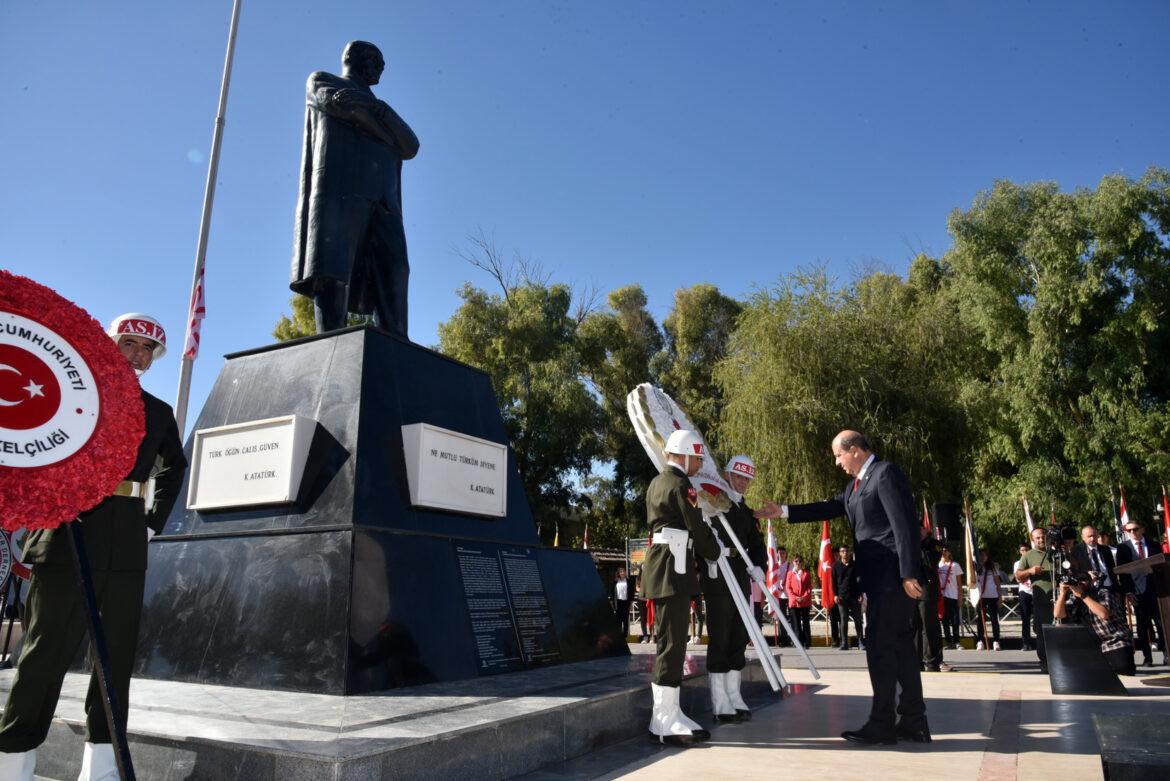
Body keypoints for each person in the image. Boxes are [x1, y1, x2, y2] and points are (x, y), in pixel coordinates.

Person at [0, 313, 188, 781]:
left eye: (147, 348)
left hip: (125, 542)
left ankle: (101, 767)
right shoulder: (72, 397)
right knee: (45, 653)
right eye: (129, 343)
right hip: (67, 534)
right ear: (108, 345)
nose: (138, 353)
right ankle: (12, 762)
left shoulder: (158, 411)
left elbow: (174, 467)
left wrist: (152, 523)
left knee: (115, 659)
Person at [756, 430, 930, 745]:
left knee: (879, 650)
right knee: (901, 647)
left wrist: (908, 573)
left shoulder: (885, 473)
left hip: (891, 578)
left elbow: (904, 524)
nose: (837, 463)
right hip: (878, 581)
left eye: (838, 455)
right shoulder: (855, 487)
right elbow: (828, 508)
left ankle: (882, 724)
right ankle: (914, 721)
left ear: (855, 450)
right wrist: (782, 511)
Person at [291, 40, 420, 337]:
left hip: (385, 201)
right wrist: (387, 134)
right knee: (334, 271)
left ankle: (395, 344)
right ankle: (330, 341)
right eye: (375, 58)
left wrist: (378, 110)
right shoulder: (322, 79)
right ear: (351, 57)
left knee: (395, 271)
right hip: (340, 190)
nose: (381, 66)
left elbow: (411, 145)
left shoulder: (380, 107)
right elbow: (341, 105)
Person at [641, 430, 721, 746]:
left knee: (674, 643)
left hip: (669, 566)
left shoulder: (659, 482)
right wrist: (715, 551)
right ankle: (662, 720)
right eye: (697, 457)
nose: (699, 462)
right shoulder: (679, 485)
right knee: (672, 644)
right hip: (672, 568)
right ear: (684, 454)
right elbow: (696, 527)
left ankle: (671, 713)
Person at [701, 455, 767, 722]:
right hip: (718, 572)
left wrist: (759, 565)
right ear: (726, 475)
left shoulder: (747, 513)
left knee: (740, 633)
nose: (742, 483)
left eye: (747, 479)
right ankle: (720, 701)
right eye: (738, 477)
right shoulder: (712, 505)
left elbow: (757, 544)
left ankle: (734, 694)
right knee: (720, 633)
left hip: (740, 573)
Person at [1054, 570, 1135, 676]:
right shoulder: (1074, 599)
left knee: (1123, 668)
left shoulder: (1103, 593)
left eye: (1084, 579)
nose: (1081, 583)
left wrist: (1083, 596)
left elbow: (1104, 613)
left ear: (1091, 582)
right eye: (1077, 580)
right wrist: (1063, 593)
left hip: (1113, 642)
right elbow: (1058, 614)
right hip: (1090, 647)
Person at [1115, 521, 1166, 667]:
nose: (1132, 533)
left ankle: (1166, 653)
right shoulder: (1123, 548)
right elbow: (1123, 573)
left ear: (1142, 529)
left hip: (1156, 590)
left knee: (1161, 624)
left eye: (1135, 529)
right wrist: (1129, 592)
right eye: (1128, 530)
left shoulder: (1154, 545)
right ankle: (1147, 657)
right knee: (1143, 626)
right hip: (1138, 591)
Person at [1016, 526, 1055, 673]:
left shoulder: (1056, 554)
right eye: (1037, 537)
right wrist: (1030, 571)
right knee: (1043, 632)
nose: (1041, 540)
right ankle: (1045, 662)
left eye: (1043, 537)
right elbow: (1018, 576)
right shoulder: (1028, 556)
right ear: (1032, 540)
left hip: (1061, 600)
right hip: (1041, 601)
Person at [912, 526, 947, 671]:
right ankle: (915, 660)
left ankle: (932, 660)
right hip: (912, 589)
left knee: (928, 626)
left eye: (920, 529)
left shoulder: (935, 545)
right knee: (914, 627)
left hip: (927, 589)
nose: (917, 532)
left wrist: (917, 547)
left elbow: (929, 562)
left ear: (926, 530)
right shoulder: (910, 543)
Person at [832, 545, 864, 650]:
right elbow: (833, 582)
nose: (845, 553)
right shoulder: (835, 566)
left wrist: (861, 594)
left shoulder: (855, 565)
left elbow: (859, 580)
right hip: (842, 597)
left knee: (858, 620)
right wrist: (835, 594)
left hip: (854, 596)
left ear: (849, 552)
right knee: (843, 620)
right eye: (843, 551)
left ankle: (860, 642)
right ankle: (844, 643)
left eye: (847, 551)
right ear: (840, 554)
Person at [1072, 525, 1118, 594]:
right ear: (1083, 537)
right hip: (1090, 589)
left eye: (1094, 536)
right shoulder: (1076, 552)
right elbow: (1075, 571)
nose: (1092, 539)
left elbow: (1112, 570)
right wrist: (1087, 573)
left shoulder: (1106, 549)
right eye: (1089, 536)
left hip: (1109, 587)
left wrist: (1117, 590)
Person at [974, 551, 1002, 650]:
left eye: (984, 555)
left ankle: (996, 641)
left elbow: (997, 583)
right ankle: (980, 641)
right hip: (981, 597)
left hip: (992, 596)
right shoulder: (976, 568)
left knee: (994, 619)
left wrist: (1000, 598)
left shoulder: (992, 568)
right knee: (981, 620)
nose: (982, 557)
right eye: (980, 555)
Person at [784, 555, 812, 647]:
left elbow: (809, 587)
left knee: (806, 623)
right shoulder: (789, 574)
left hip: (805, 601)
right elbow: (788, 588)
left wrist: (804, 596)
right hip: (794, 602)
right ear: (793, 562)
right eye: (796, 561)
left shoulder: (807, 573)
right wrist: (795, 597)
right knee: (796, 623)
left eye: (800, 561)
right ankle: (798, 642)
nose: (798, 563)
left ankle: (807, 642)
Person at [938, 546, 963, 649]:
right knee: (944, 620)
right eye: (942, 551)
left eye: (945, 551)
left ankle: (957, 641)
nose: (943, 553)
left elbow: (959, 583)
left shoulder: (955, 565)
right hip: (942, 597)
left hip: (953, 595)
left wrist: (960, 597)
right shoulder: (937, 565)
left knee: (955, 620)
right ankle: (948, 641)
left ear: (949, 553)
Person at [1013, 543, 1035, 651]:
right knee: (1025, 618)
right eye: (1022, 550)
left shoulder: (1034, 561)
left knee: (1039, 617)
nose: (1025, 552)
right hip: (1025, 591)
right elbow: (1019, 578)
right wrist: (1028, 572)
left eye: (1027, 549)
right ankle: (1025, 642)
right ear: (1020, 552)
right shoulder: (1018, 563)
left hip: (1036, 591)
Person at [771, 546, 794, 645]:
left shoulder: (791, 566)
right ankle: (782, 639)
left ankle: (794, 639)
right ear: (777, 554)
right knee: (781, 617)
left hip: (789, 595)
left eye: (783, 553)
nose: (781, 555)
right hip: (779, 595)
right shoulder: (775, 566)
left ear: (786, 554)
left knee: (793, 617)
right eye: (779, 553)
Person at [611, 567, 631, 638]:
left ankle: (625, 635)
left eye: (624, 571)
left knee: (626, 620)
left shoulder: (628, 581)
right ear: (618, 573)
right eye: (621, 572)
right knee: (618, 619)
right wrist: (612, 603)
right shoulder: (615, 581)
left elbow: (631, 593)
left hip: (626, 602)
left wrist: (631, 604)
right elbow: (612, 593)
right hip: (618, 602)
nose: (622, 573)